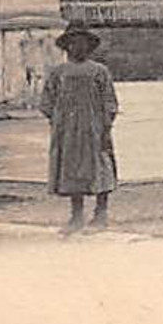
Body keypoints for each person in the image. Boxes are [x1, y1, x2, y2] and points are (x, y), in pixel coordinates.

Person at [38, 24, 118, 234]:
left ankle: (101, 214)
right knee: (71, 170)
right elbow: (46, 101)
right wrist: (57, 121)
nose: (78, 47)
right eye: (73, 42)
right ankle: (76, 216)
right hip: (68, 132)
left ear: (89, 46)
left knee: (100, 167)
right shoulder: (58, 73)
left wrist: (105, 125)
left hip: (95, 129)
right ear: (67, 46)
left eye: (82, 42)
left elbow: (109, 101)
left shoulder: (100, 71)